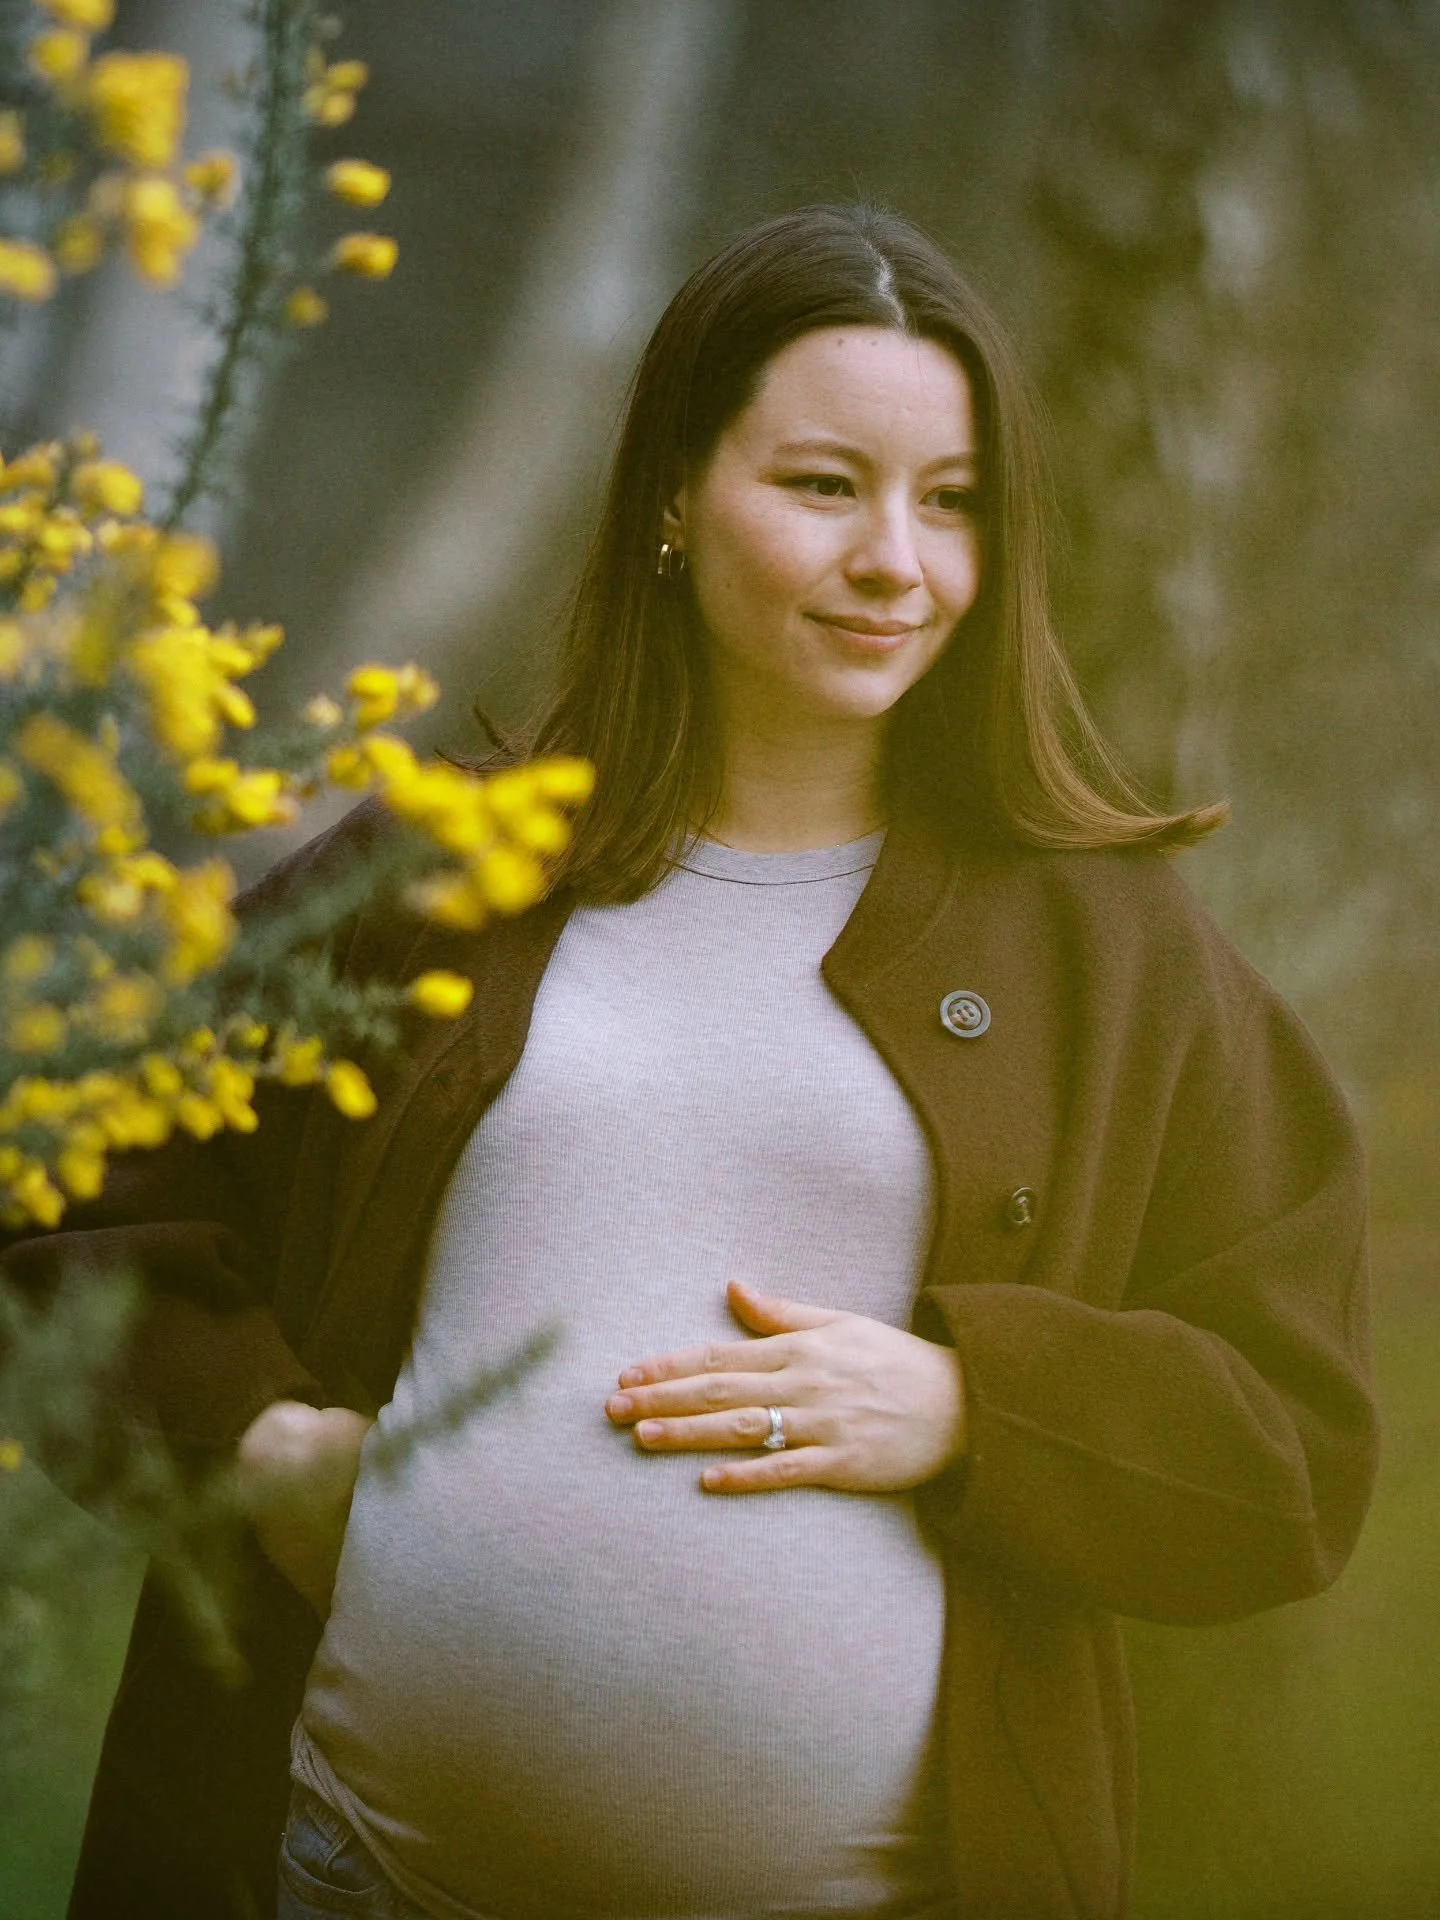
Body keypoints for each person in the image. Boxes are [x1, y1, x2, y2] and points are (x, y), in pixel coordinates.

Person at [4, 204, 1377, 1920]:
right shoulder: (445, 878)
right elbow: (70, 1181)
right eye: (824, 485)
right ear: (671, 496)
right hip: (343, 1868)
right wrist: (256, 1441)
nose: (899, 560)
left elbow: (1294, 1456)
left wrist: (973, 1406)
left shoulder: (1109, 953)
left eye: (953, 502)